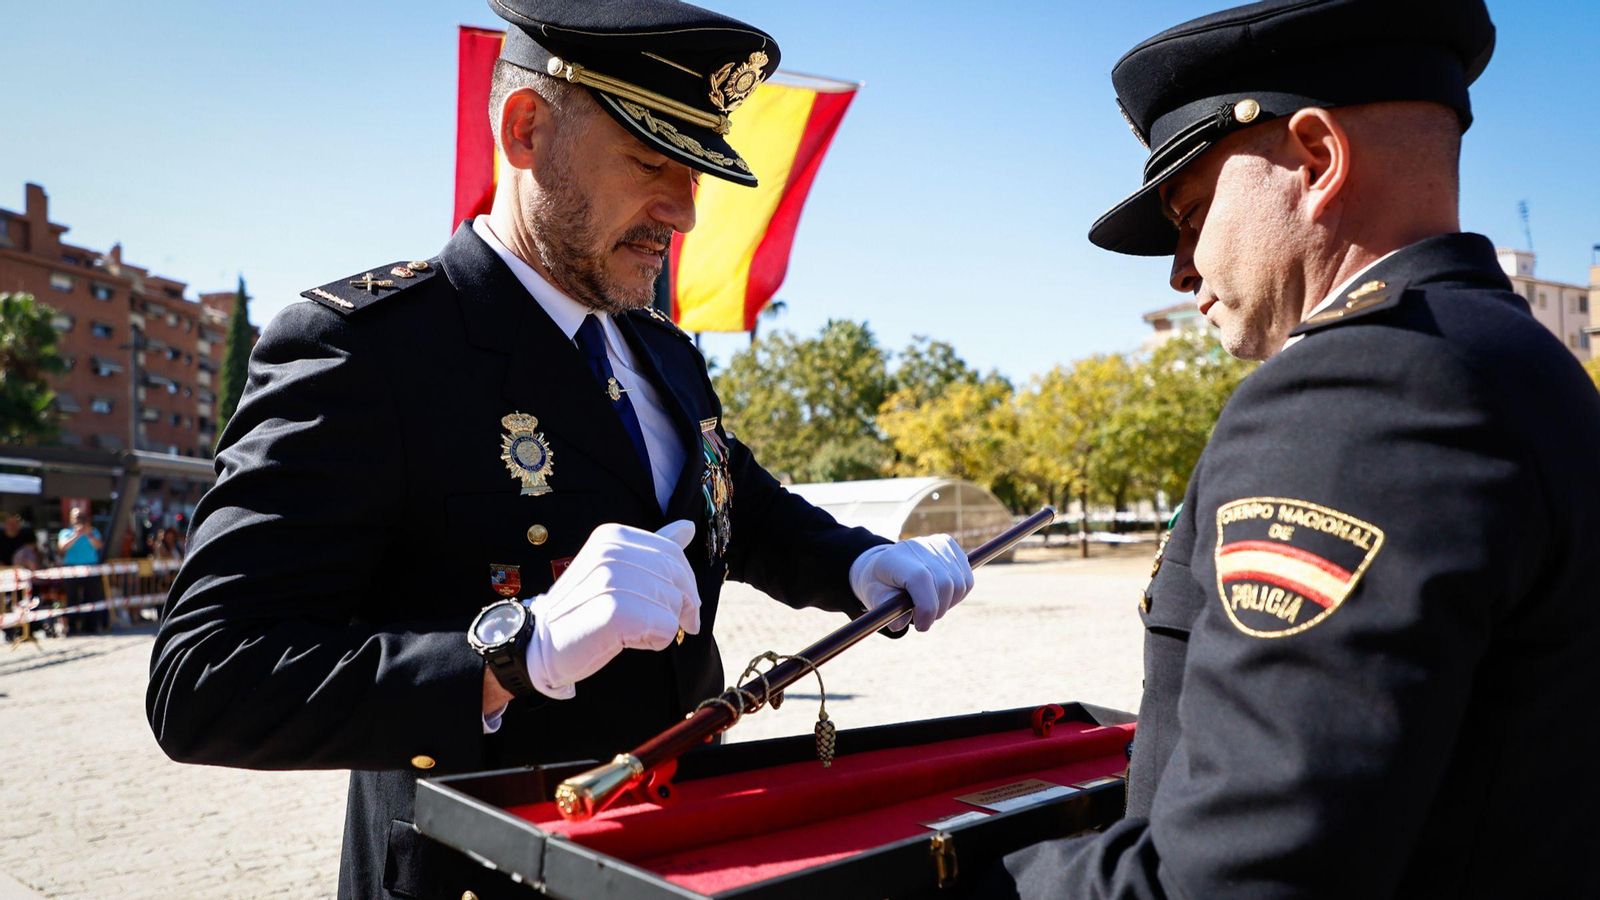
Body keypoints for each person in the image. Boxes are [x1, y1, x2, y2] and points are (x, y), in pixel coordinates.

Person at [146, 2, 974, 898]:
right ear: (527, 128)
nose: (684, 212)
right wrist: (512, 656)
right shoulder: (367, 350)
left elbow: (731, 501)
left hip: (681, 855)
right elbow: (205, 679)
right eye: (652, 159)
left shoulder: (658, 347)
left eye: (695, 169)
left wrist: (861, 563)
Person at [978, 0, 1600, 896]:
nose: (1180, 269)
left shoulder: (1359, 393)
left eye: (1192, 215)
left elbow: (1241, 876)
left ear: (1316, 160)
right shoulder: (1515, 362)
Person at [57, 506, 108, 634]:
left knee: (91, 598)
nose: (79, 519)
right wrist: (76, 535)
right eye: (76, 517)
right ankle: (72, 627)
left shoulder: (93, 531)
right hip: (71, 568)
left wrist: (88, 534)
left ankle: (90, 626)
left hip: (91, 568)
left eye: (81, 517)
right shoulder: (65, 532)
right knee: (72, 599)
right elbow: (62, 547)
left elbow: (99, 546)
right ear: (71, 519)